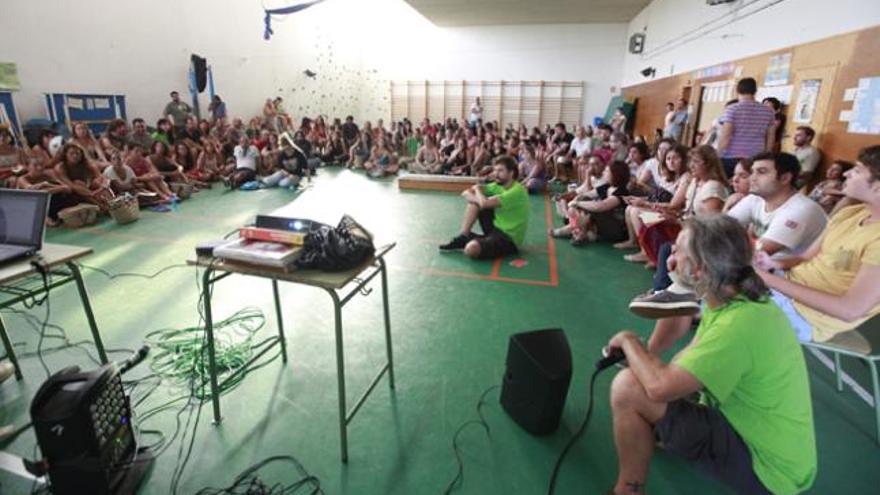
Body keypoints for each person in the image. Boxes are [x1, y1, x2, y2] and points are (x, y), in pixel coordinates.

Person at [605, 214, 816, 495]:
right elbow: (685, 365)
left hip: (768, 469)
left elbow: (659, 387)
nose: (670, 259)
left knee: (629, 387)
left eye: (678, 252)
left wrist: (630, 342)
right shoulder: (740, 302)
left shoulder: (736, 326)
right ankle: (665, 436)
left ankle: (627, 491)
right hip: (774, 447)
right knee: (650, 380)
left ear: (700, 270)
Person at [754, 145, 880, 343]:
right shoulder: (850, 213)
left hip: (806, 317)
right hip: (784, 287)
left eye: (856, 170)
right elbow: (805, 257)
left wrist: (765, 278)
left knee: (717, 308)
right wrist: (774, 265)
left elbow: (849, 310)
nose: (846, 173)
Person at [439, 156, 528, 260]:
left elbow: (484, 203)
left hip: (508, 239)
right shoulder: (498, 185)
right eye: (495, 170)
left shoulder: (517, 191)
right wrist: (477, 194)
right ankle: (463, 236)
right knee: (475, 202)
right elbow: (466, 193)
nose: (496, 174)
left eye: (500, 171)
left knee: (471, 250)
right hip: (495, 227)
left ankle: (477, 241)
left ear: (511, 173)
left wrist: (477, 190)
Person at [717, 78, 776, 177]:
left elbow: (726, 136)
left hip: (731, 156)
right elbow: (771, 137)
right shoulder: (768, 111)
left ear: (737, 90)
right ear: (755, 91)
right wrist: (766, 157)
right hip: (756, 156)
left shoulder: (732, 109)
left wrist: (717, 155)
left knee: (730, 187)